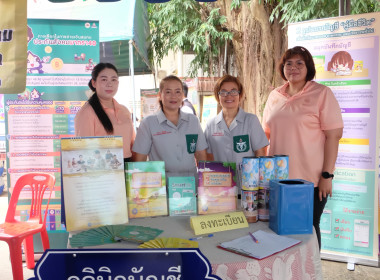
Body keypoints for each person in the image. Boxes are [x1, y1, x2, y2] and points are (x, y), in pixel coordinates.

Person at [262, 46, 344, 249]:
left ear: (308, 67)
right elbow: (265, 135)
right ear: (283, 68)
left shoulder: (321, 93)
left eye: (300, 63)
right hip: (278, 180)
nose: (293, 68)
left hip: (311, 181)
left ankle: (311, 272)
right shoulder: (275, 96)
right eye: (288, 63)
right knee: (279, 229)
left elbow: (333, 136)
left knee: (308, 229)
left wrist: (327, 175)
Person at [133, 75, 207, 178]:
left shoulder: (193, 121)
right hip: (162, 187)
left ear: (182, 95)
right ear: (160, 95)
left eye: (177, 92)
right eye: (168, 92)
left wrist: (204, 186)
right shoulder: (148, 123)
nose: (173, 96)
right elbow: (140, 161)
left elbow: (201, 155)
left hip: (190, 185)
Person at [74, 62, 135, 162]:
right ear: (94, 83)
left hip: (127, 166)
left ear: (118, 83)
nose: (109, 84)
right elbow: (84, 150)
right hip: (102, 169)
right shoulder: (86, 112)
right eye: (104, 79)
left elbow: (132, 144)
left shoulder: (124, 110)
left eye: (113, 80)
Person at [204, 75, 268, 167]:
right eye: (223, 92)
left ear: (240, 95)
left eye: (233, 91)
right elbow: (208, 156)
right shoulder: (211, 125)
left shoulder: (251, 120)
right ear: (218, 97)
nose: (229, 95)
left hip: (246, 179)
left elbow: (261, 153)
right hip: (220, 180)